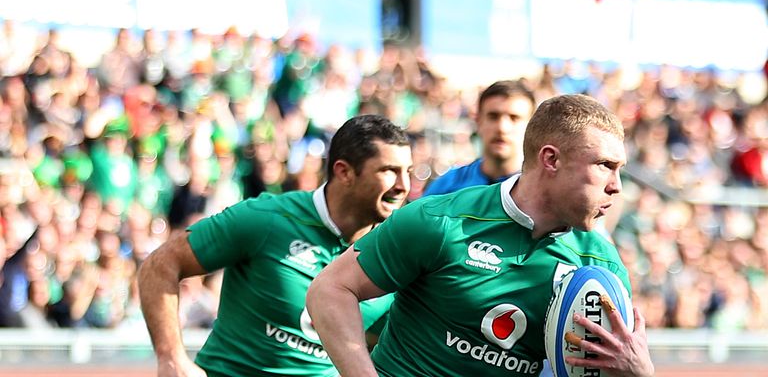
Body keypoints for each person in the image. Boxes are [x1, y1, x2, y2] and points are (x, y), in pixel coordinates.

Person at [306, 94, 654, 377]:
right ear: (551, 159)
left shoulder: (600, 267)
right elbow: (330, 290)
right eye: (605, 166)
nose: (616, 186)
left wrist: (639, 372)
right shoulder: (440, 220)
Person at [138, 114, 413, 377]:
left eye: (408, 172)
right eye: (389, 171)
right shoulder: (266, 219)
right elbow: (159, 265)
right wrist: (171, 358)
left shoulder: (396, 251)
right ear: (344, 172)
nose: (404, 186)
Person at [423, 79, 535, 196]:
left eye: (514, 118)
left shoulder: (541, 191)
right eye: (493, 116)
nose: (502, 128)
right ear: (478, 121)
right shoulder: (447, 186)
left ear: (531, 126)